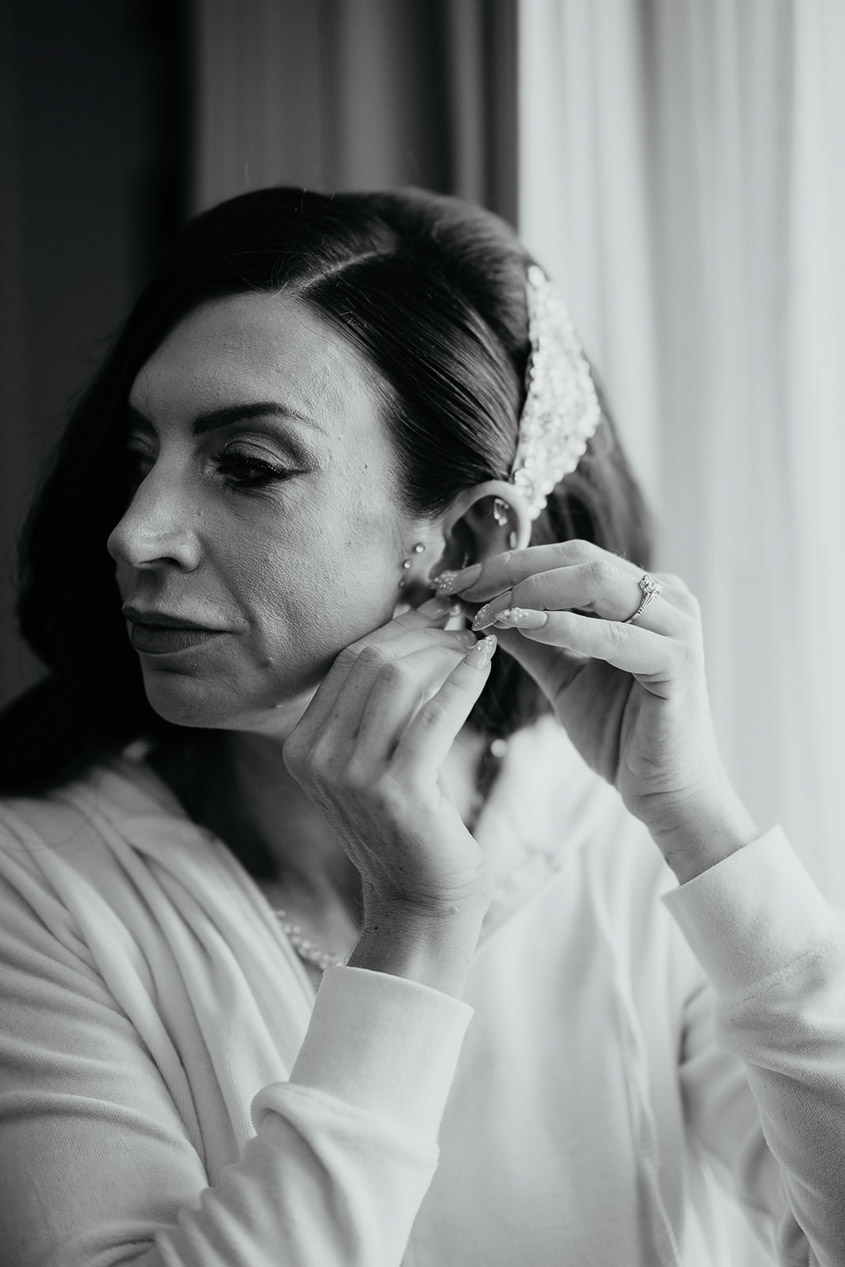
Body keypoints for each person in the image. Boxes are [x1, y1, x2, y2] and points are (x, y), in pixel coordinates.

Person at [0, 185, 842, 1267]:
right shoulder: (40, 876)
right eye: (137, 457)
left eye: (246, 468)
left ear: (459, 540)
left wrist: (701, 825)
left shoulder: (620, 845)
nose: (137, 532)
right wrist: (412, 927)